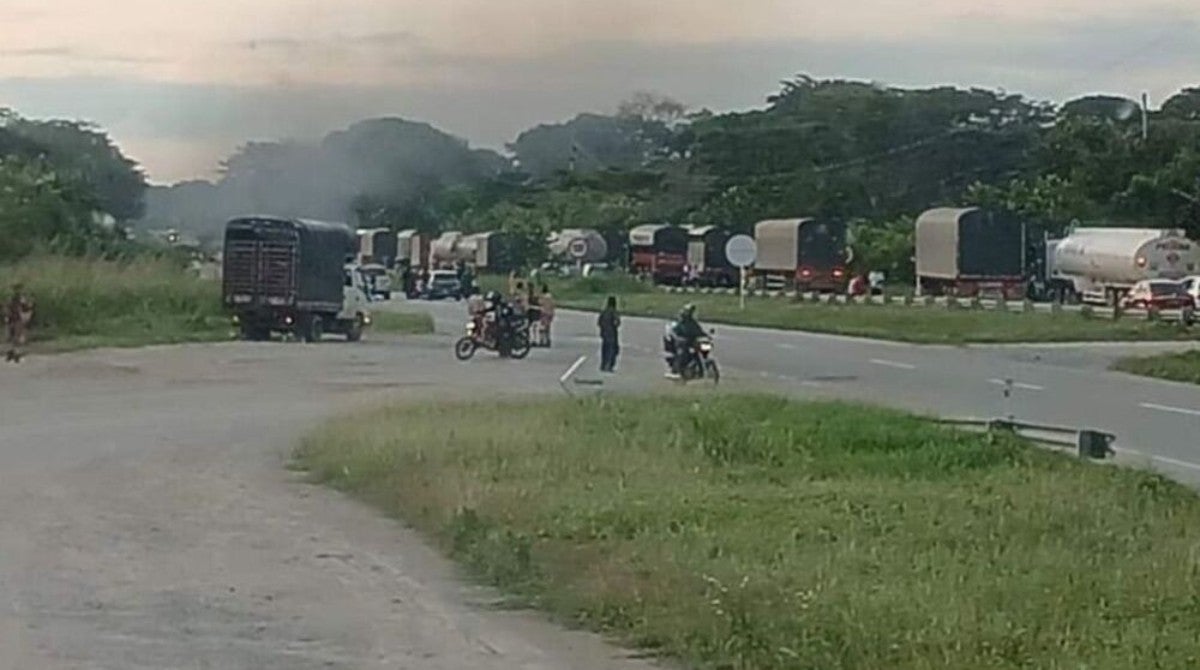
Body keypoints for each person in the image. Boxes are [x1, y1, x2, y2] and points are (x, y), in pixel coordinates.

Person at [670, 303, 707, 376]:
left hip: (692, 341)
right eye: (690, 311)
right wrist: (682, 336)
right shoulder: (681, 321)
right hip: (682, 342)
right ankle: (676, 371)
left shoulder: (692, 322)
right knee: (683, 353)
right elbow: (677, 331)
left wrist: (705, 335)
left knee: (699, 350)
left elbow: (699, 330)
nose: (691, 313)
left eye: (692, 312)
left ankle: (699, 368)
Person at [5, 284, 34, 363]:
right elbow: (26, 308)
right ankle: (15, 353)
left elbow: (27, 308)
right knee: (16, 337)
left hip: (15, 320)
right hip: (16, 320)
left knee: (15, 337)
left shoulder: (15, 299)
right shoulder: (16, 300)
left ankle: (12, 352)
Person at [597, 296, 621, 373]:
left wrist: (603, 329)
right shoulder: (614, 312)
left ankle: (603, 364)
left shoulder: (604, 312)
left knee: (604, 349)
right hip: (612, 334)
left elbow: (599, 322)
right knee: (612, 350)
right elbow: (617, 322)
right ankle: (609, 365)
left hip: (604, 334)